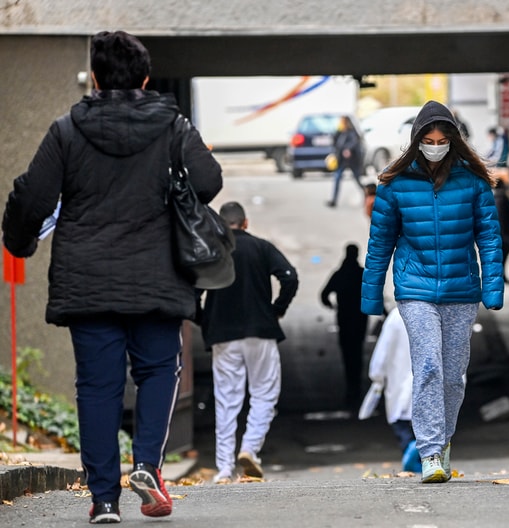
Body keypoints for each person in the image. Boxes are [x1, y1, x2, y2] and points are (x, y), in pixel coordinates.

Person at [1, 30, 223, 523]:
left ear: (96, 79)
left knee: (97, 387)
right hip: (157, 276)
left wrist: (19, 242)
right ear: (145, 79)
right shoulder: (172, 125)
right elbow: (209, 182)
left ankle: (104, 499)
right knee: (158, 370)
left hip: (88, 280)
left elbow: (33, 196)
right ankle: (146, 465)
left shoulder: (67, 130)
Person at [361, 100, 504, 484]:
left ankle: (443, 440)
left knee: (453, 377)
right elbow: (380, 244)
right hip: (415, 290)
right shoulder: (394, 184)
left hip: (461, 290)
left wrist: (492, 288)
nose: (436, 147)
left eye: (442, 141)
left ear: (453, 141)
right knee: (427, 366)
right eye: (429, 140)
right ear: (416, 141)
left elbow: (490, 239)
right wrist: (371, 296)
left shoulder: (472, 182)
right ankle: (429, 452)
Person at [198, 201, 298, 484]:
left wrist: (204, 319)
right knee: (264, 394)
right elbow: (289, 276)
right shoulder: (261, 247)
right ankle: (250, 449)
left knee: (226, 401)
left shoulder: (213, 250)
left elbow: (192, 290)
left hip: (223, 337)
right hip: (260, 332)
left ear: (221, 224)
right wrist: (277, 308)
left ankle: (223, 469)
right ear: (245, 223)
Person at [366, 306, 422, 473]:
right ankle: (424, 456)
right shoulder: (437, 310)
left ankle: (411, 450)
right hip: (426, 383)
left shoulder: (396, 316)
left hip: (399, 383)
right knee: (427, 424)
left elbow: (382, 352)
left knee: (401, 423)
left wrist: (377, 376)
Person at [320, 243, 370, 410]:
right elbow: (373, 295)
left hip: (344, 319)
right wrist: (385, 313)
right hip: (360, 319)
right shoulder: (362, 274)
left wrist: (332, 306)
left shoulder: (339, 274)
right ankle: (356, 387)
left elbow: (324, 295)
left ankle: (351, 386)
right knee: (358, 352)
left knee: (347, 353)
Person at [327, 115, 364, 207]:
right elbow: (335, 143)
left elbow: (354, 142)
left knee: (357, 179)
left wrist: (348, 149)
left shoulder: (352, 132)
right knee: (337, 178)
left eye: (342, 122)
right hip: (342, 160)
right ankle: (334, 200)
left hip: (352, 160)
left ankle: (368, 195)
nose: (341, 124)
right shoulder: (340, 133)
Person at [492, 168, 509, 285]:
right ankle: (501, 276)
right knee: (503, 257)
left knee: (502, 257)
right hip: (504, 235)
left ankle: (502, 276)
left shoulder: (496, 198)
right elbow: (505, 218)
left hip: (502, 234)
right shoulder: (502, 198)